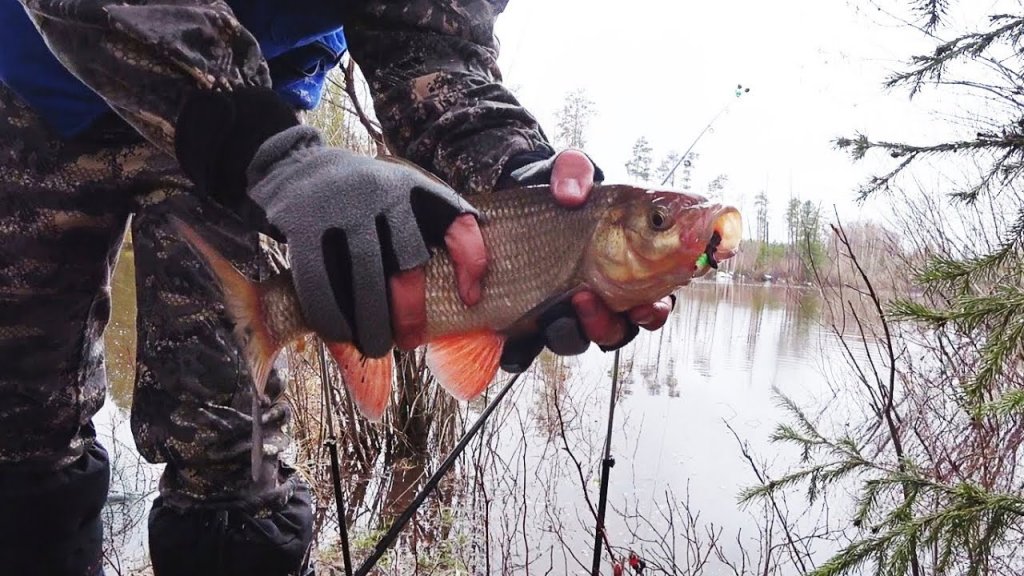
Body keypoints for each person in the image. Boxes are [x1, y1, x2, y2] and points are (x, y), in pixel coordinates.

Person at [0, 0, 674, 574]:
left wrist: (513, 172)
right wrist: (271, 151)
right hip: (34, 84)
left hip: (257, 96)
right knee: (13, 423)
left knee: (231, 458)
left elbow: (431, 37)